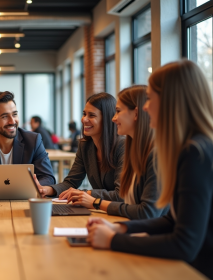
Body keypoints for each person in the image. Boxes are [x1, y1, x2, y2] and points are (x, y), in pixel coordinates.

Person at [86, 60, 213, 279]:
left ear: (171, 101)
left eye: (151, 98)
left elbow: (185, 243)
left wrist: (113, 241)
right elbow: (172, 220)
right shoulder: (192, 146)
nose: (145, 107)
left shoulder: (195, 153)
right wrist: (122, 229)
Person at [64, 86, 168, 219]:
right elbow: (131, 203)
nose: (113, 118)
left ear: (136, 114)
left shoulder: (151, 153)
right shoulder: (135, 149)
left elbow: (144, 211)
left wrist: (96, 202)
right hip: (132, 225)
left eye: (118, 111)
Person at [34, 92, 124, 198]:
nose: (84, 119)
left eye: (91, 115)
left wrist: (85, 193)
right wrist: (47, 189)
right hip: (100, 210)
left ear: (107, 119)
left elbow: (121, 195)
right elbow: (71, 182)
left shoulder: (122, 146)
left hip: (119, 211)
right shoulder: (85, 146)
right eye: (84, 114)